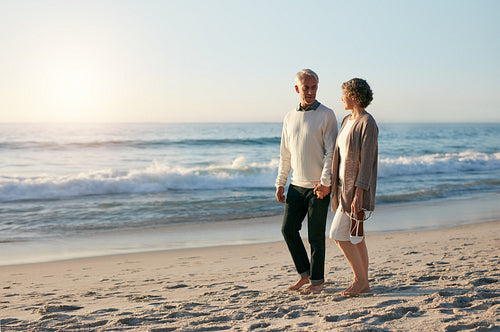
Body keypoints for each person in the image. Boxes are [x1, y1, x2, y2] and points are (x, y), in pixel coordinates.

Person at [275, 69, 338, 294]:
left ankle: (317, 283)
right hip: (296, 185)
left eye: (314, 87)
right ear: (297, 89)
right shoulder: (289, 117)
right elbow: (286, 154)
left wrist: (326, 182)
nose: (310, 92)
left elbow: (331, 152)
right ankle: (305, 274)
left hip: (318, 187)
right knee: (288, 230)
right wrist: (280, 182)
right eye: (306, 88)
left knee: (315, 236)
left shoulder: (327, 115)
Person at [320, 78, 378, 297]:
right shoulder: (346, 120)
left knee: (337, 234)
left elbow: (367, 162)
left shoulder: (367, 122)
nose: (341, 97)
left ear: (353, 95)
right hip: (343, 187)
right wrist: (328, 182)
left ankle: (360, 280)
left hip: (354, 191)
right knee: (356, 237)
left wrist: (359, 194)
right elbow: (339, 156)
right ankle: (365, 282)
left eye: (343, 93)